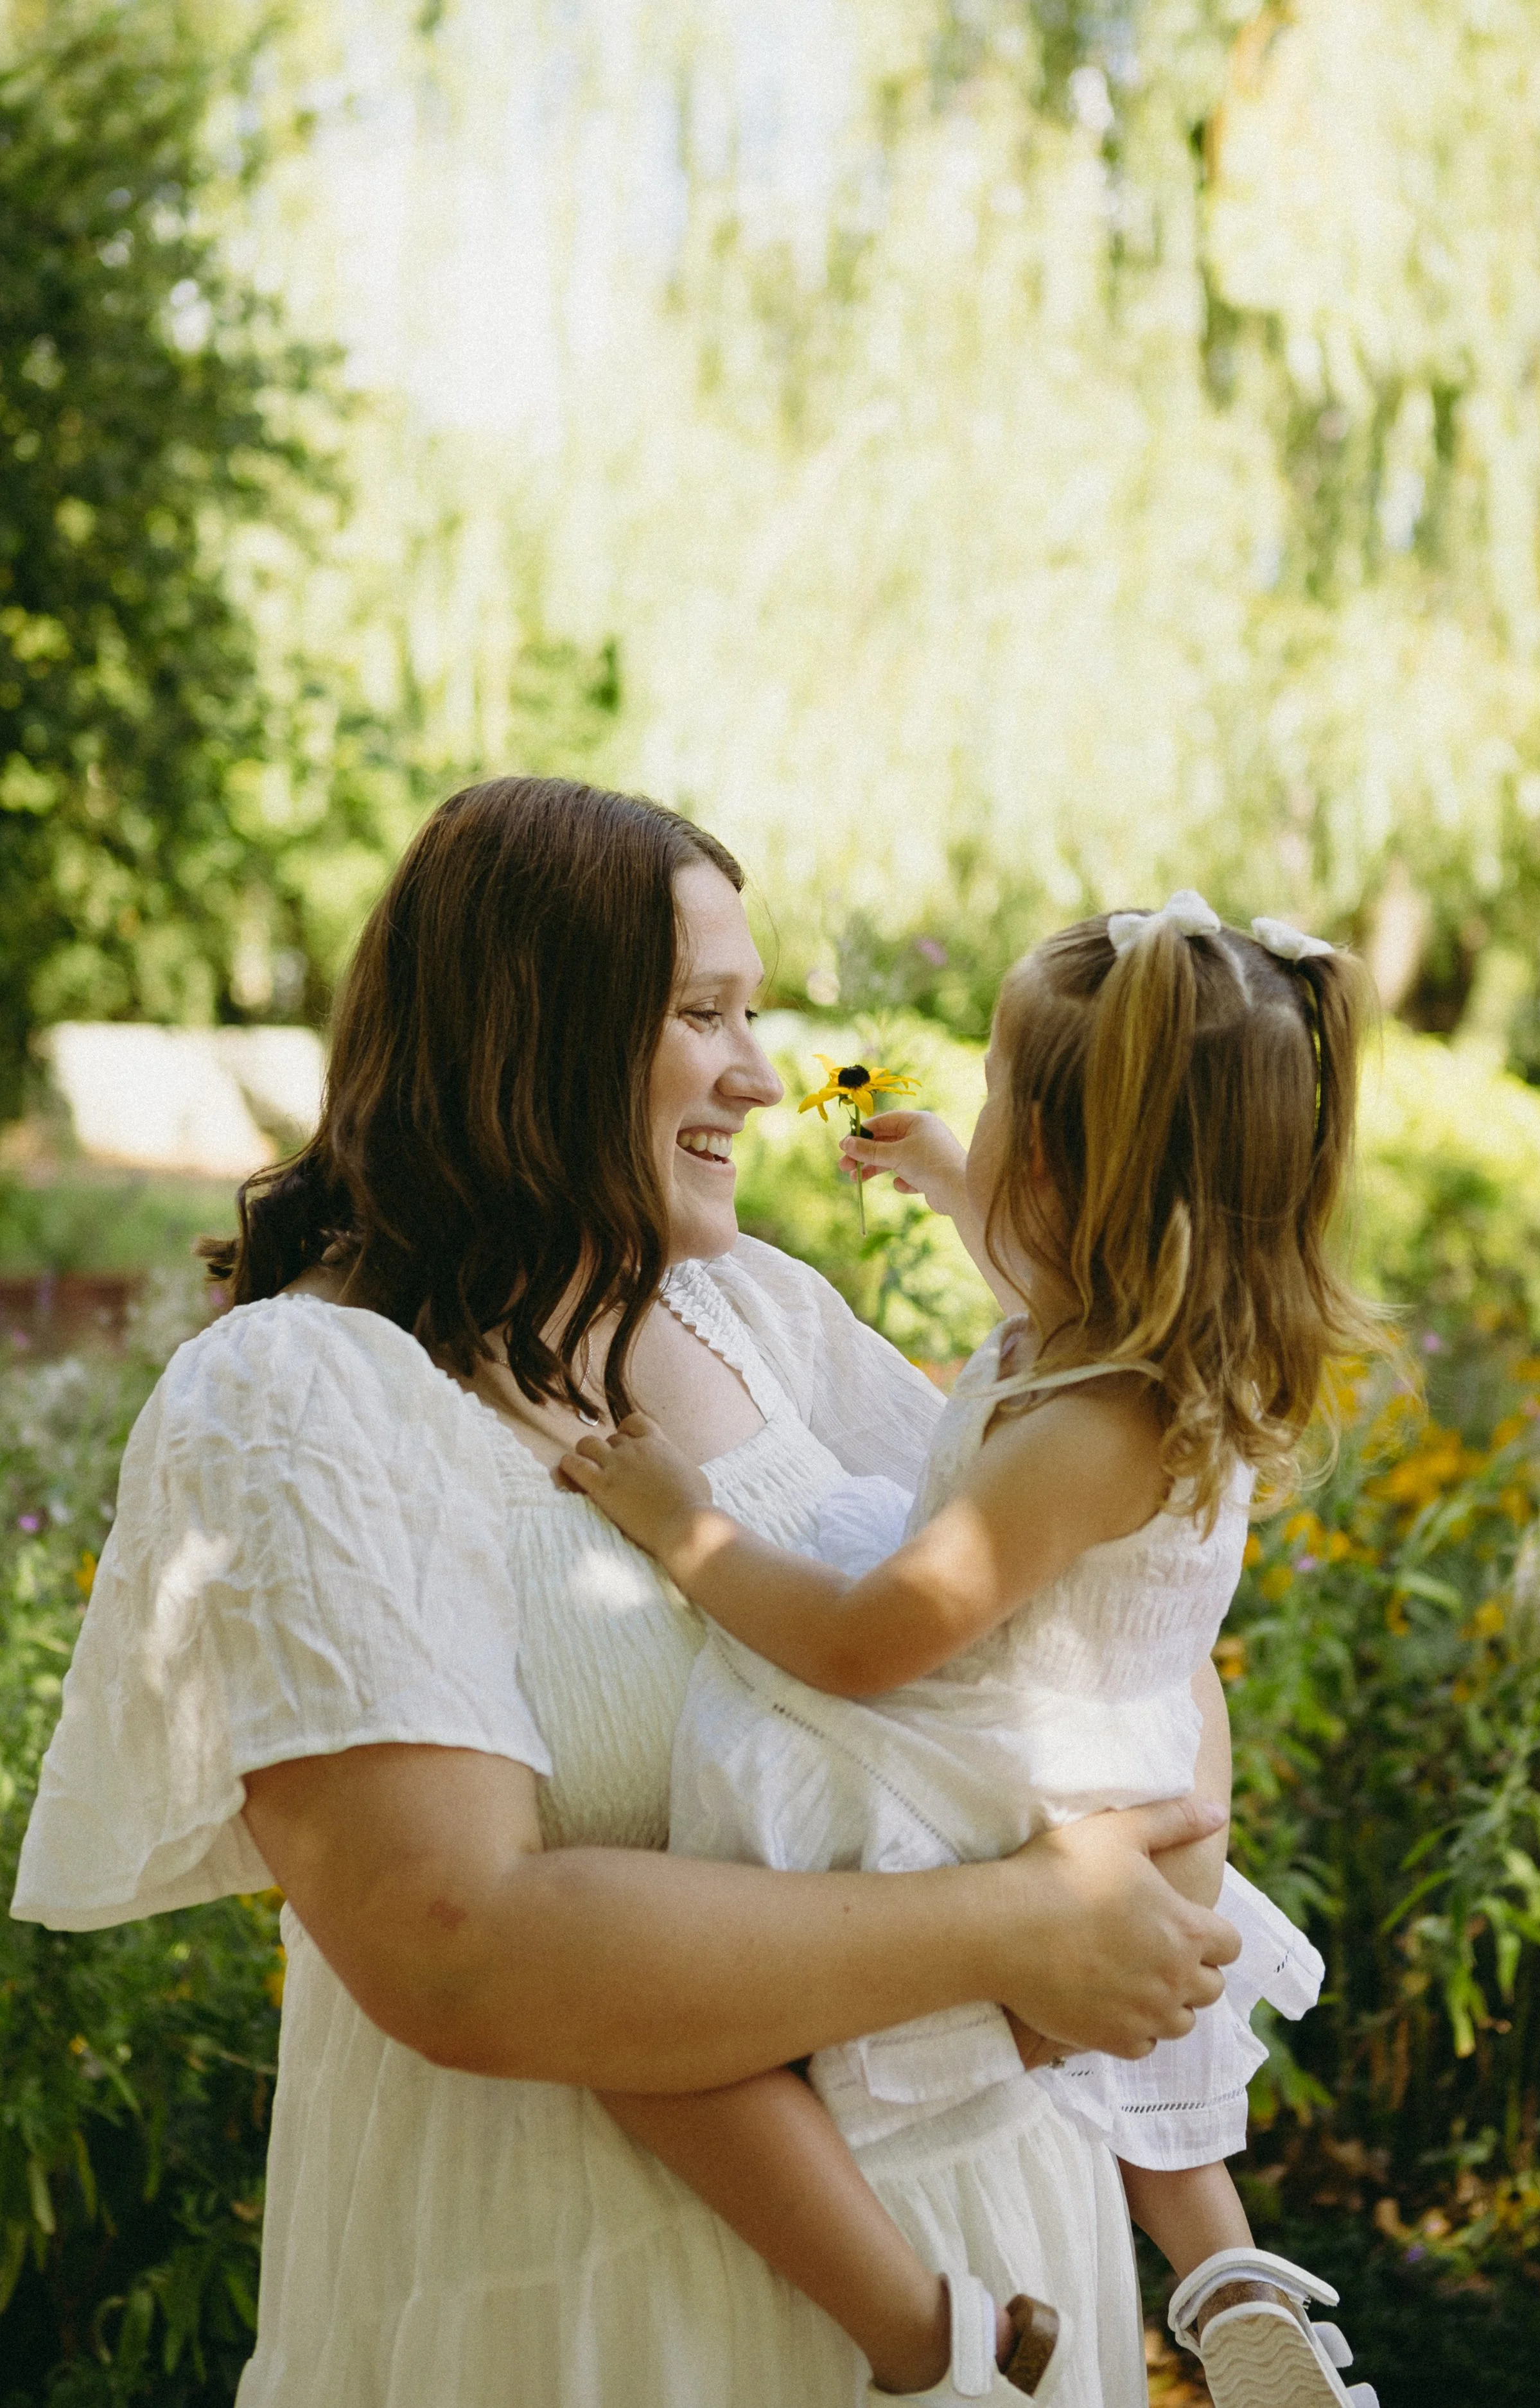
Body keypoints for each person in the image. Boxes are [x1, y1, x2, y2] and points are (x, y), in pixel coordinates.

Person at [10, 779, 1240, 2408]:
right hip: (591, 2326)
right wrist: (1018, 1924)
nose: (757, 1069)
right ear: (529, 1035)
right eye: (699, 1013)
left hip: (1007, 2261)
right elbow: (459, 1945)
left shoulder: (756, 1313)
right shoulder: (307, 1391)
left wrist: (1150, 1875)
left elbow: (1088, 1621)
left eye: (753, 1011)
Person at [561, 889, 1388, 2408]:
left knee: (663, 2031)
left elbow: (874, 1641)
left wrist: (683, 1529)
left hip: (999, 1774)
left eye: (1004, 1098)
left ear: (1073, 1169)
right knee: (1129, 2033)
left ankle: (912, 2332)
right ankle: (1220, 2268)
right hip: (1121, 1758)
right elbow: (1036, 1295)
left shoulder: (1083, 1429)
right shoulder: (1141, 1348)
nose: (980, 1117)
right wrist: (954, 1175)